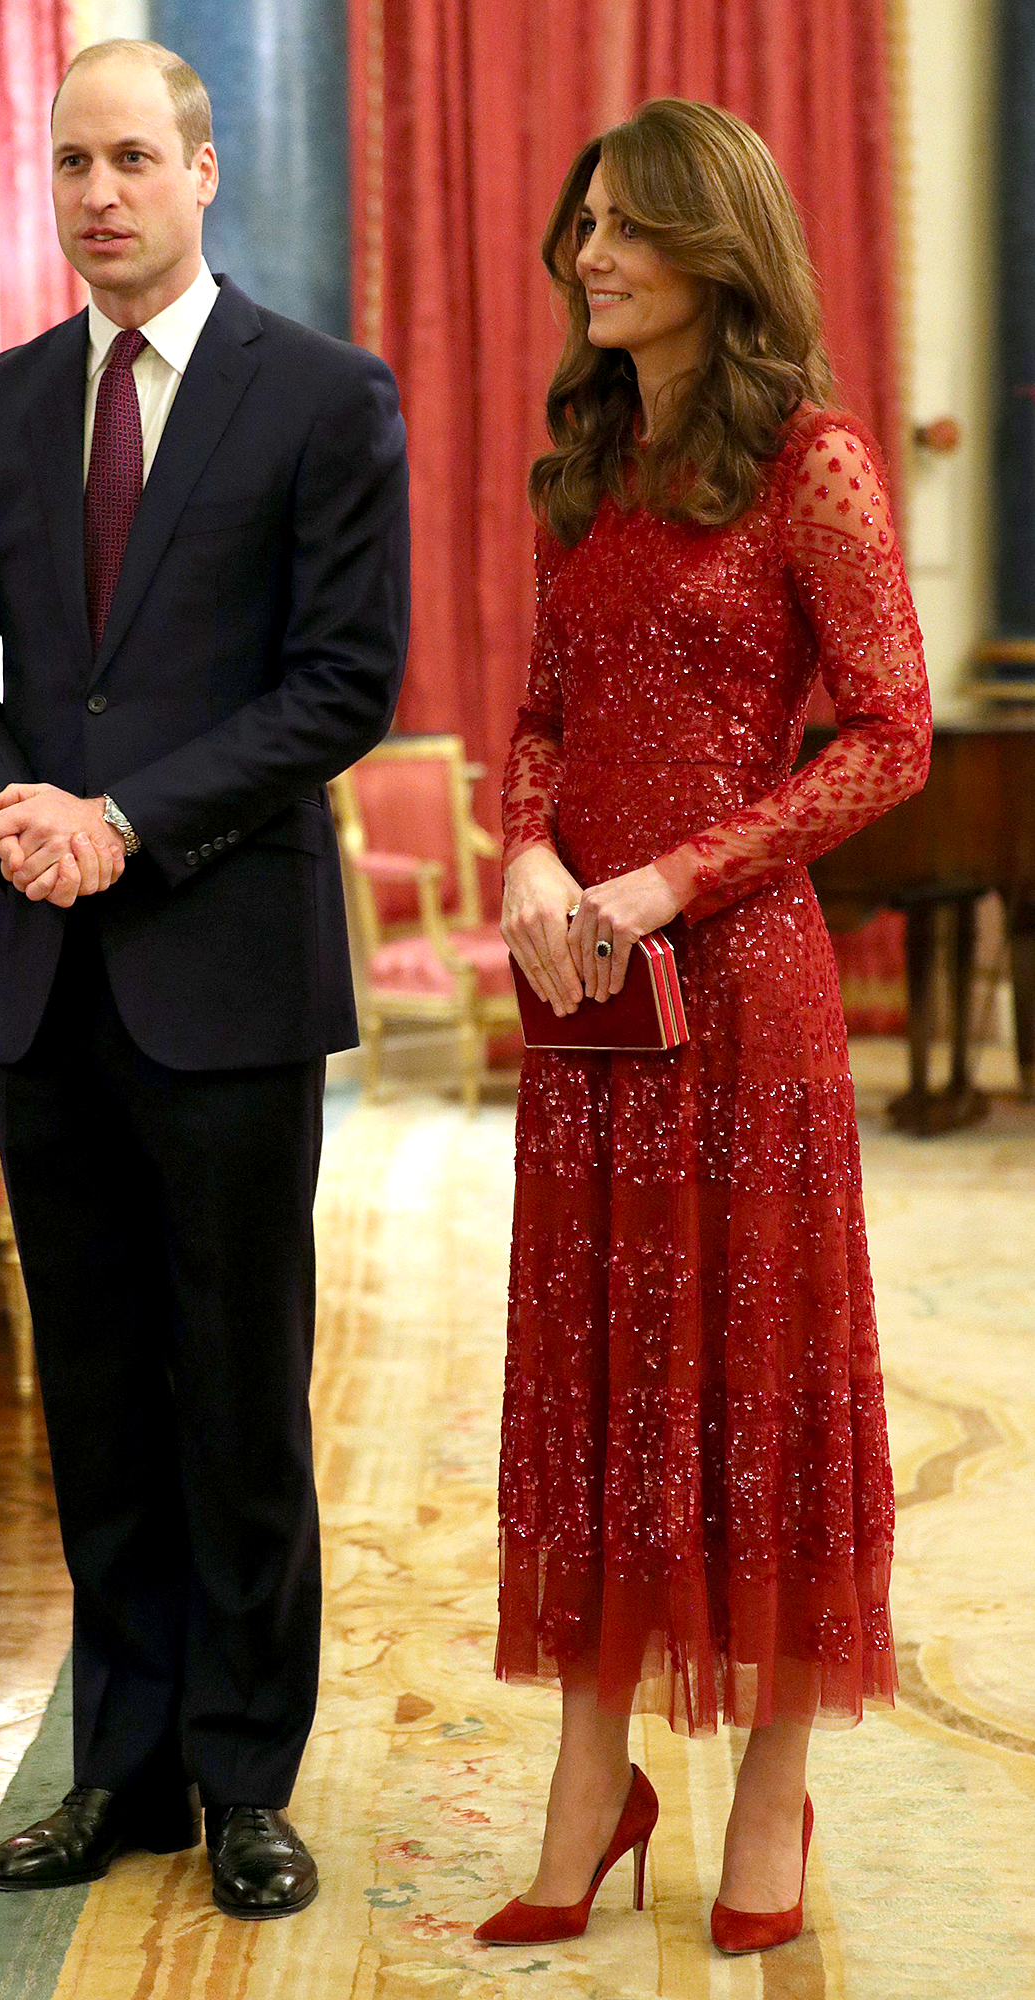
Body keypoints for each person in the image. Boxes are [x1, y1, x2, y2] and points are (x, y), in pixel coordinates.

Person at [0, 38, 409, 1919]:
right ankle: (124, 1767)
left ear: (204, 171)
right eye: (70, 164)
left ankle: (246, 1767)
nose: (98, 193)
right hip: (47, 973)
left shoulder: (325, 398)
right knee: (99, 1388)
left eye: (133, 158)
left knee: (238, 1385)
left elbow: (345, 684)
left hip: (230, 968)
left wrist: (128, 818)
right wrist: (16, 816)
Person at [479, 99, 930, 1956]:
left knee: (752, 1393)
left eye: (626, 230)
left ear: (713, 249)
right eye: (582, 226)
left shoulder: (809, 462)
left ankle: (766, 1785)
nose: (590, 254)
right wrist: (522, 853)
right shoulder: (584, 460)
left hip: (743, 1001)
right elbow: (542, 721)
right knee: (603, 1381)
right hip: (588, 1009)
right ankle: (596, 1786)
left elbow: (891, 734)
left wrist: (674, 879)